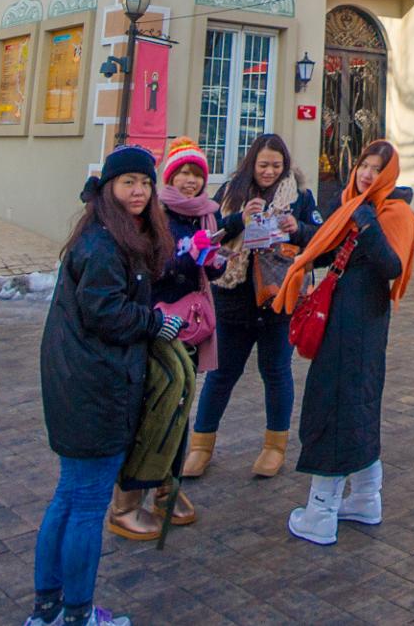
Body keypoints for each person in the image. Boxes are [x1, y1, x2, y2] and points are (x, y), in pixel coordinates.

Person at [28, 144, 179, 626]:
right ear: (108, 186)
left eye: (146, 182)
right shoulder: (103, 244)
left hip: (80, 381)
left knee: (69, 495)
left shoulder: (109, 236)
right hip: (95, 388)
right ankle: (76, 613)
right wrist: (154, 323)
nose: (139, 192)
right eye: (128, 182)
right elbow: (105, 312)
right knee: (87, 504)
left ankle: (48, 609)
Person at [274, 138, 414, 545]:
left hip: (359, 323)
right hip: (343, 317)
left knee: (335, 406)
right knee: (357, 405)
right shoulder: (353, 206)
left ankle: (321, 513)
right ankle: (366, 498)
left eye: (377, 168)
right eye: (364, 165)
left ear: (389, 175)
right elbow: (332, 248)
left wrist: (367, 220)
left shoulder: (393, 212)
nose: (368, 174)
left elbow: (391, 265)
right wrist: (299, 235)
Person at [180, 133, 321, 481]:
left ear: (285, 165)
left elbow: (321, 241)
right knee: (221, 375)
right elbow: (208, 236)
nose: (269, 172)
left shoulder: (300, 196)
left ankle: (275, 447)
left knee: (276, 373)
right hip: (234, 301)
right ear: (251, 164)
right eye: (263, 165)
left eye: (276, 165)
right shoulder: (231, 192)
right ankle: (201, 446)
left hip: (278, 300)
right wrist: (239, 219)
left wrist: (298, 229)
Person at [108, 138, 222, 539]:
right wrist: (187, 257)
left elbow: (207, 273)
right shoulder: (154, 214)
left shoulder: (205, 215)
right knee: (153, 408)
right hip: (155, 323)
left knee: (179, 407)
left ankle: (165, 486)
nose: (191, 181)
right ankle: (127, 499)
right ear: (170, 177)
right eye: (183, 173)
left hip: (188, 326)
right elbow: (153, 269)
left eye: (197, 174)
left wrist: (211, 260)